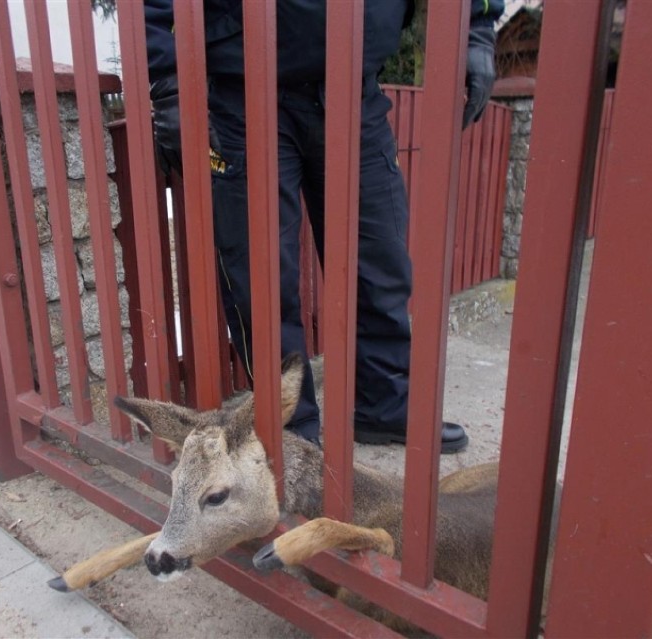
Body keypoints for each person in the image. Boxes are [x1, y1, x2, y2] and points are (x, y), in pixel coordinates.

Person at [144, 0, 504, 454]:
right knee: (261, 276)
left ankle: (385, 406)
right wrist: (169, 83)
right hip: (243, 89)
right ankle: (289, 427)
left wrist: (476, 26)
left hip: (355, 89)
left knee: (380, 263)